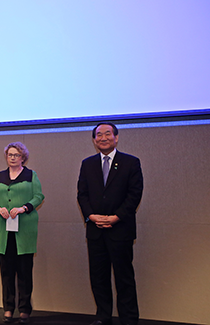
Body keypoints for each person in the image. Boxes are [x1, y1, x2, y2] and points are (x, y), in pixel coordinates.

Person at [77, 122, 143, 325]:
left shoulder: (131, 162)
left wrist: (116, 217)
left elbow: (134, 195)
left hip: (120, 229)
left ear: (116, 137)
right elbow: (82, 194)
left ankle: (129, 318)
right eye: (98, 135)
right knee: (98, 277)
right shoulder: (87, 164)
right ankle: (103, 316)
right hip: (95, 231)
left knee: (124, 277)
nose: (103, 138)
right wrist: (91, 216)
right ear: (94, 140)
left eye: (107, 134)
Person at [0, 142, 44, 324]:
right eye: (10, 155)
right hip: (3, 232)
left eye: (16, 155)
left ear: (23, 157)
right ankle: (8, 309)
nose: (12, 158)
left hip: (24, 231)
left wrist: (23, 208)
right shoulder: (0, 175)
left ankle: (25, 309)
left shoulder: (30, 175)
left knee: (25, 273)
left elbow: (38, 196)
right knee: (6, 273)